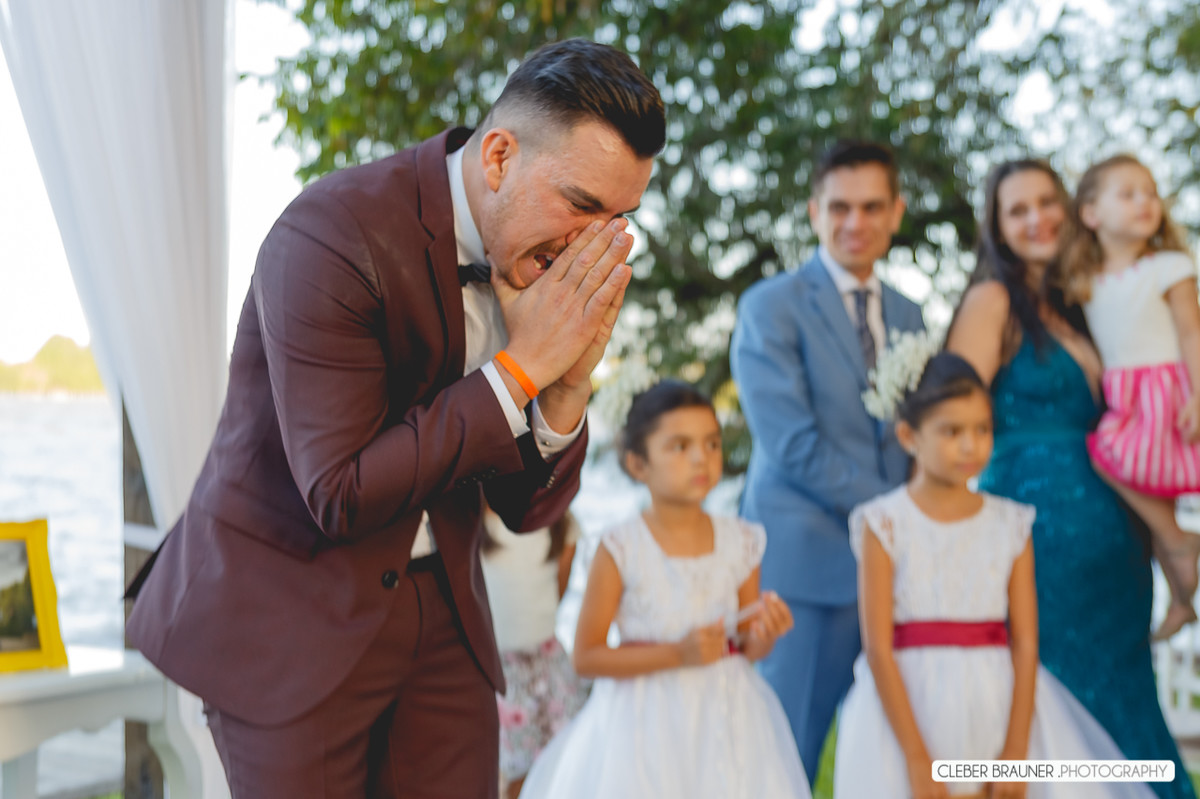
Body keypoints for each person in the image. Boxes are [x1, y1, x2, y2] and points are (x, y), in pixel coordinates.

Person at [123, 39, 665, 798]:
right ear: (500, 158)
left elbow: (529, 507)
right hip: (290, 614)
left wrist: (566, 386)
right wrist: (520, 369)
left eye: (620, 218)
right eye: (581, 205)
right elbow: (338, 492)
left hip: (442, 617)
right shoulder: (329, 234)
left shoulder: (534, 264)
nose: (596, 245)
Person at [947, 159, 1195, 799]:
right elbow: (950, 413)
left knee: (1126, 695)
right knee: (1055, 698)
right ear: (998, 230)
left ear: (1072, 207)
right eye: (1017, 210)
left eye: (1046, 202)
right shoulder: (993, 300)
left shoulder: (1086, 302)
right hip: (1038, 544)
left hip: (1117, 543)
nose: (1036, 220)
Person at [835, 351, 1154, 799]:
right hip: (910, 708)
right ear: (909, 436)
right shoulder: (883, 523)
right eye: (952, 432)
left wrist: (1016, 748)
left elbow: (1025, 641)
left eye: (982, 430)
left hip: (994, 702)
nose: (971, 446)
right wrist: (917, 758)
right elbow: (878, 648)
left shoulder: (1011, 524)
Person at [730, 139, 925, 781]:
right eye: (839, 207)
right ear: (815, 211)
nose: (855, 223)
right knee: (785, 756)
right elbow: (792, 445)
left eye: (872, 207)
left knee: (890, 756)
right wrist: (898, 513)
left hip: (896, 575)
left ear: (897, 212)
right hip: (804, 574)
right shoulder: (770, 306)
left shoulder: (910, 313)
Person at [518, 381, 811, 798]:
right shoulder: (621, 547)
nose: (701, 458)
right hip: (641, 723)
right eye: (679, 446)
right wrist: (678, 654)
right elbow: (586, 656)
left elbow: (746, 646)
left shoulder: (741, 541)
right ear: (638, 463)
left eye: (711, 444)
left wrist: (763, 635)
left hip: (728, 717)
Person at [1060, 153, 1200, 640]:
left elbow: (1191, 334)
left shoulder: (1169, 265)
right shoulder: (1085, 281)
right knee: (1124, 468)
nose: (1146, 201)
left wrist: (1199, 395)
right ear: (1091, 214)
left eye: (1151, 192)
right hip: (1124, 395)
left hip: (1163, 390)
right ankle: (1182, 595)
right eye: (1129, 193)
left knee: (1109, 457)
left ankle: (1178, 542)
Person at [479, 505, 590, 799]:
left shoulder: (558, 522)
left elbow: (559, 587)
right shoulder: (472, 521)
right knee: (515, 770)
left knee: (564, 759)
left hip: (549, 664)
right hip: (502, 670)